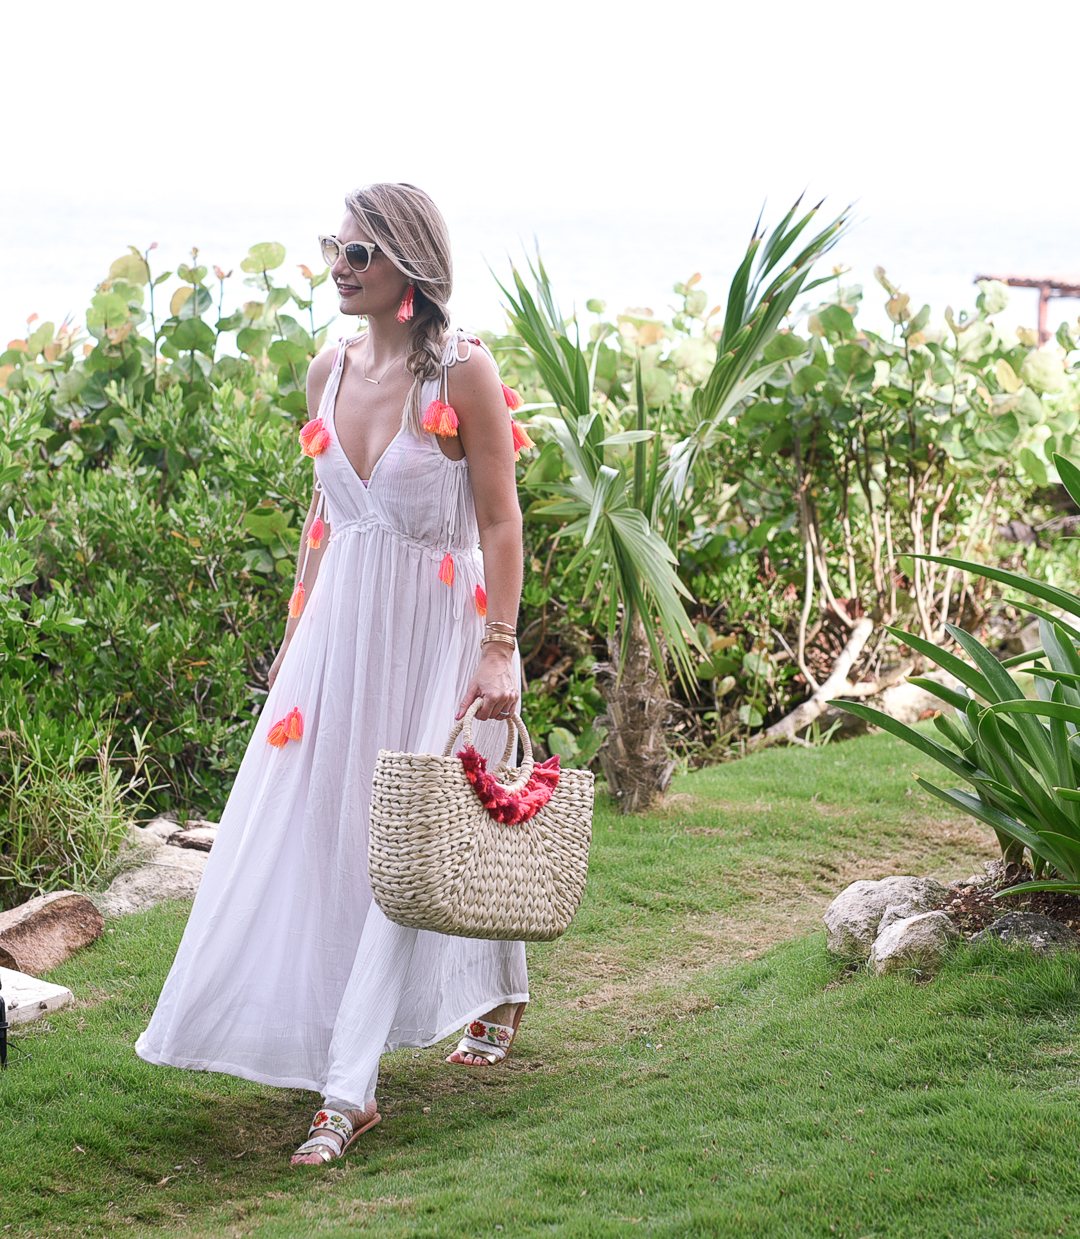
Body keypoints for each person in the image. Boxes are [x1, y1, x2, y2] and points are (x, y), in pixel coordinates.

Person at [136, 183, 532, 1165]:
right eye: (336, 249)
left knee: (415, 827)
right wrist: (295, 628)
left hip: (436, 623)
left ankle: (347, 1088)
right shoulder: (326, 369)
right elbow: (325, 519)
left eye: (360, 253)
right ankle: (492, 992)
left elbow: (501, 520)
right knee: (327, 828)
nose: (340, 268)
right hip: (339, 631)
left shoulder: (462, 375)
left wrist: (500, 644)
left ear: (409, 263)